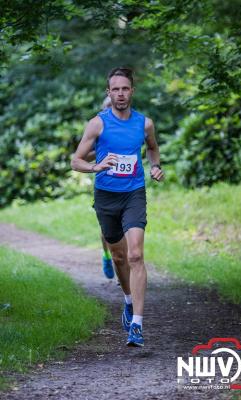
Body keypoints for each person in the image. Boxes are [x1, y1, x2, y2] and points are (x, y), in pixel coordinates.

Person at [71, 67, 164, 347]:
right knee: (120, 257)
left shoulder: (144, 123)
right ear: (108, 93)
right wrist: (96, 166)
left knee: (135, 255)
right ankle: (126, 300)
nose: (120, 94)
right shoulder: (97, 124)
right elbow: (76, 160)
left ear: (132, 91)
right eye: (115, 89)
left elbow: (152, 148)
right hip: (106, 196)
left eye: (125, 89)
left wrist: (156, 166)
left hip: (134, 193)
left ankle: (137, 324)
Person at [86, 96, 115, 280]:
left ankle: (124, 269)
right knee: (107, 229)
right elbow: (83, 156)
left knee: (128, 228)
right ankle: (106, 256)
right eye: (109, 107)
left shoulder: (129, 126)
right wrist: (102, 152)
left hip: (128, 187)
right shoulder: (97, 127)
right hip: (104, 185)